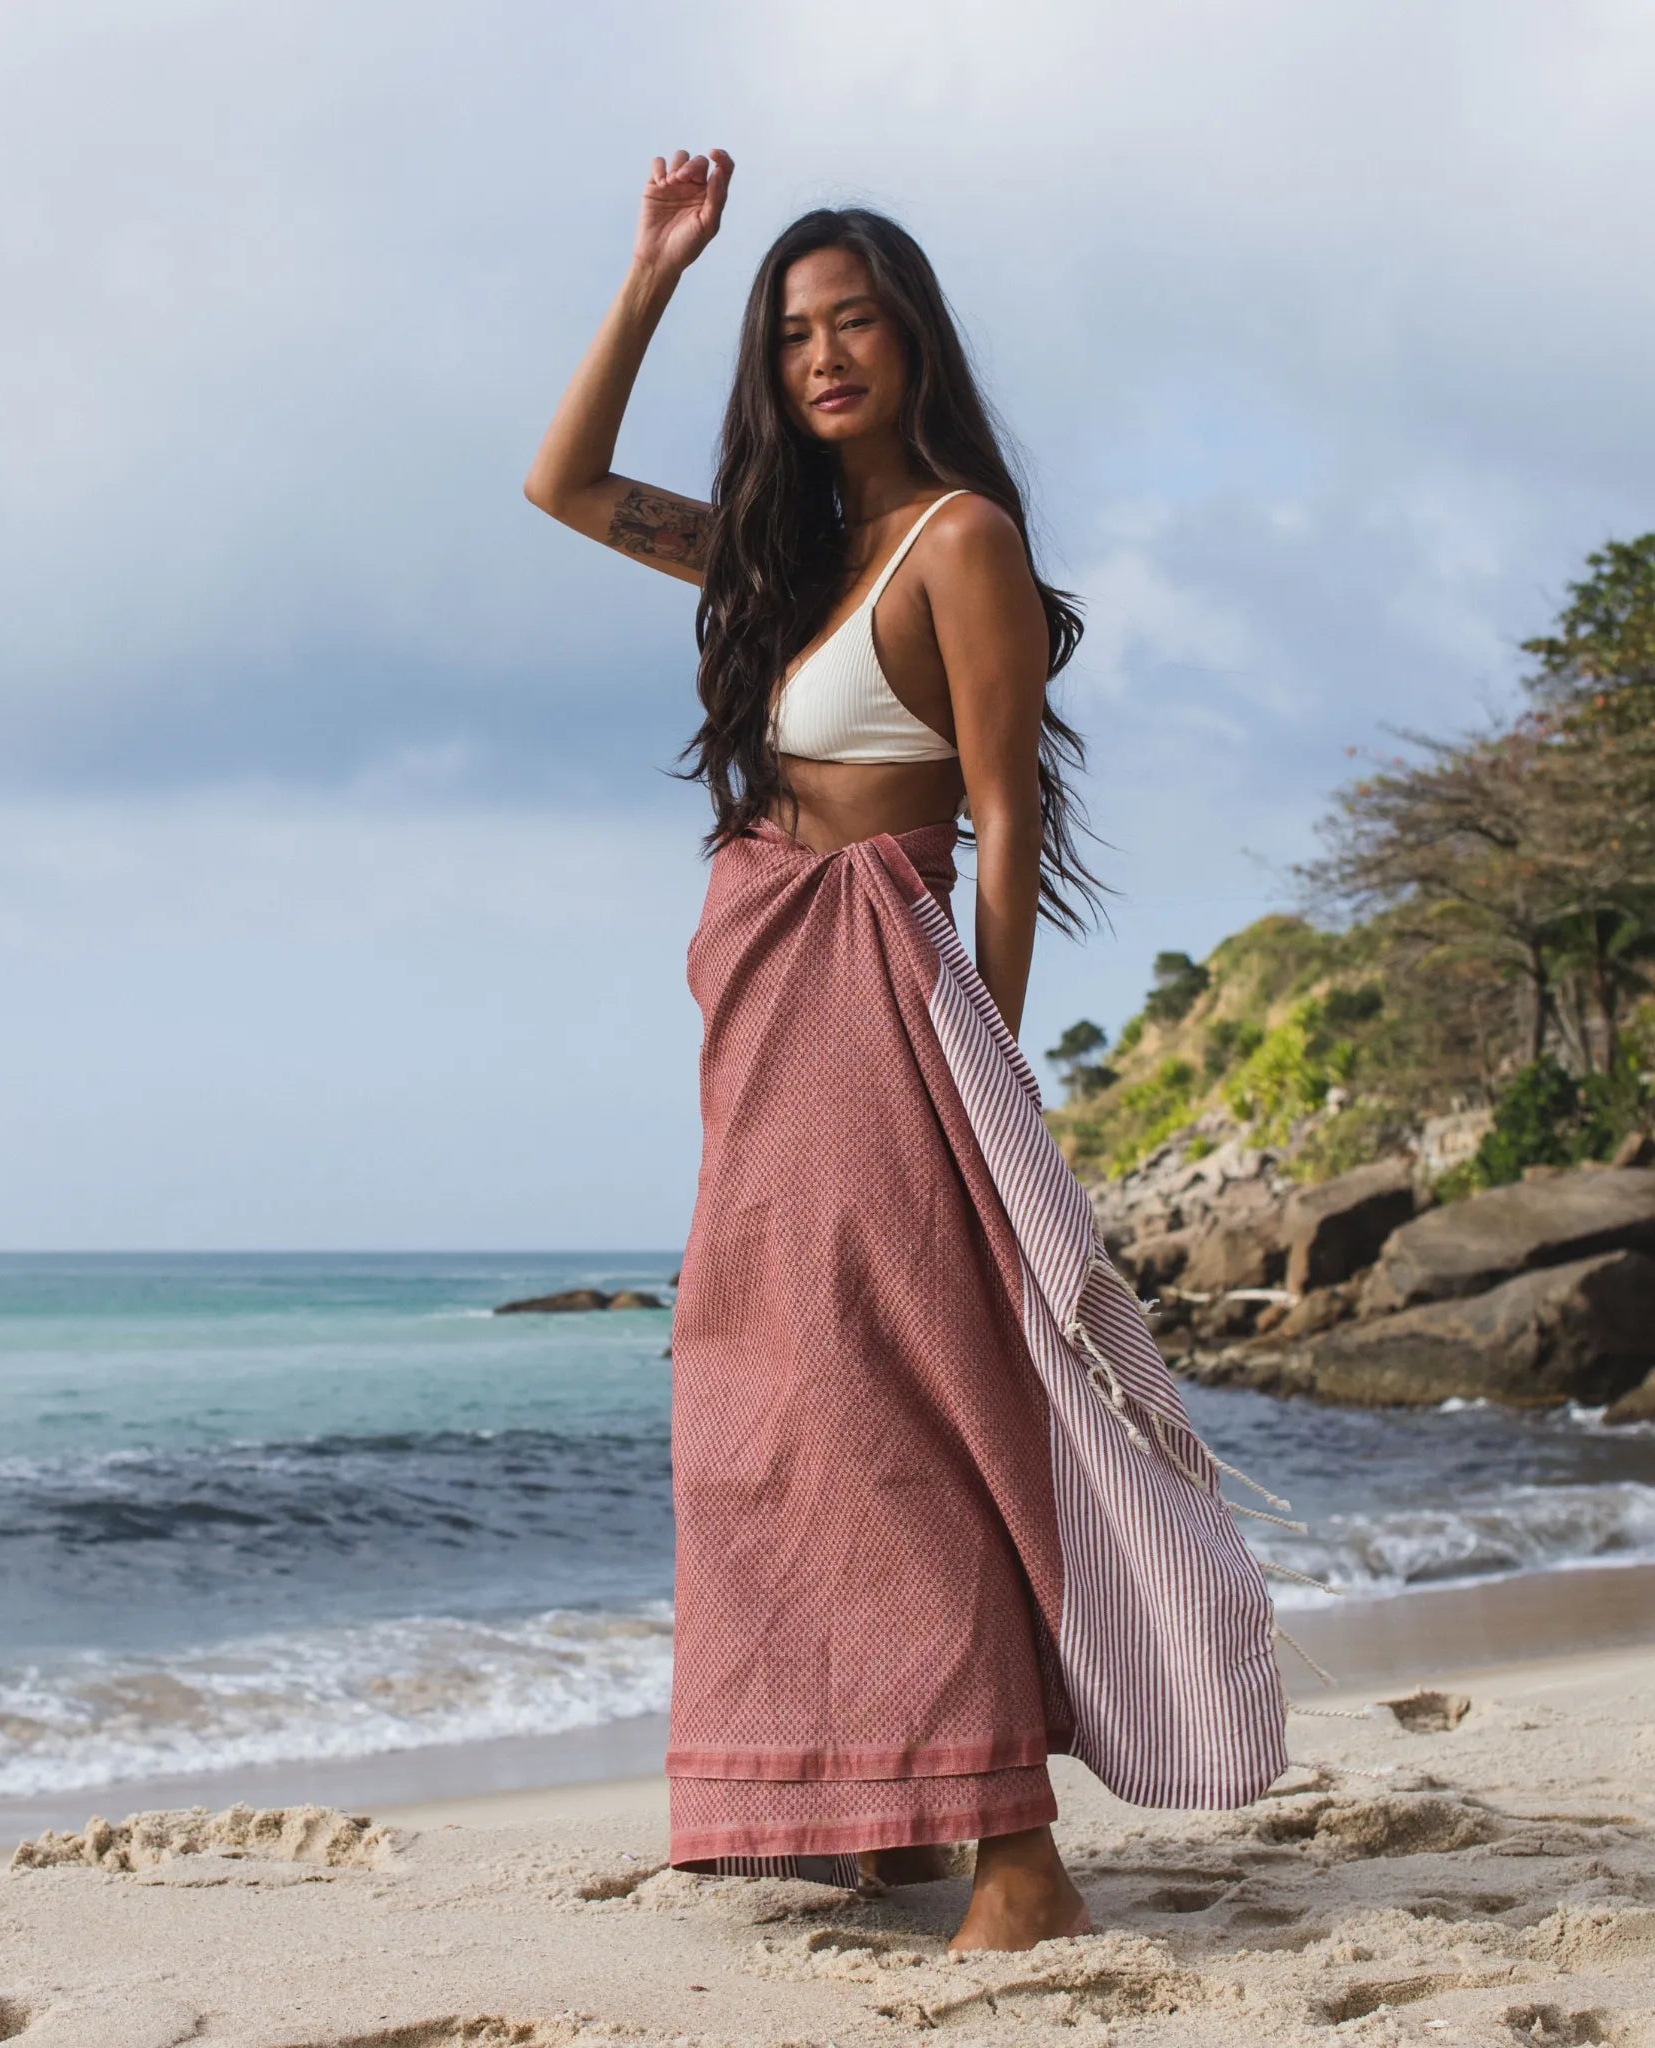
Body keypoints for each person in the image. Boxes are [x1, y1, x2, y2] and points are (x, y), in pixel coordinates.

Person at [523, 150, 1289, 1954]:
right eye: (793, 333)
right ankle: (878, 1803)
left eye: (854, 318)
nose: (824, 355)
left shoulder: (965, 541)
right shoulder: (781, 557)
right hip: (768, 1014)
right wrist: (648, 275)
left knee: (893, 1408)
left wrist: (987, 1058)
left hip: (888, 1009)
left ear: (913, 336)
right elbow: (559, 486)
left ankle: (1016, 1851)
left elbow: (1007, 817)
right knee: (765, 1404)